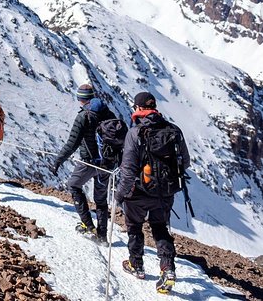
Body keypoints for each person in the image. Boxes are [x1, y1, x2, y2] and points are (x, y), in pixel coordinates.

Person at [115, 91, 190, 293]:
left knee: (134, 227)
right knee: (160, 228)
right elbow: (186, 161)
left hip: (138, 193)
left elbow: (128, 170)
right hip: (164, 193)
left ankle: (136, 265)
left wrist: (119, 195)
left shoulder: (135, 133)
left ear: (139, 109)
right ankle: (168, 269)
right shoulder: (174, 131)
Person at [49, 83, 117, 243]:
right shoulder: (108, 113)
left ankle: (88, 225)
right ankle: (102, 235)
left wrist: (58, 161)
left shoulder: (83, 117)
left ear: (80, 99)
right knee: (101, 200)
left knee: (73, 185)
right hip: (107, 164)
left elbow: (72, 143)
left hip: (88, 163)